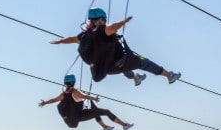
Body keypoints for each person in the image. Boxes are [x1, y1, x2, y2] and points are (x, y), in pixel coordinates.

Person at [50, 8, 181, 86]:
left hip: (108, 68)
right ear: (98, 20)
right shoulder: (102, 31)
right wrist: (123, 22)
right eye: (103, 19)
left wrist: (60, 41)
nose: (104, 22)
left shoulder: (85, 35)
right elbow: (111, 28)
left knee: (125, 65)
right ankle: (169, 75)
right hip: (120, 62)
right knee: (143, 62)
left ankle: (136, 78)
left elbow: (72, 39)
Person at [38, 75, 134, 130]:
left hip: (75, 117)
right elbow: (84, 96)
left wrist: (45, 102)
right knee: (106, 111)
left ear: (65, 83)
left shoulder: (64, 94)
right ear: (73, 82)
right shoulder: (75, 92)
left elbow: (54, 100)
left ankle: (105, 127)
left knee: (95, 111)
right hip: (79, 115)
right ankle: (124, 126)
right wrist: (94, 98)